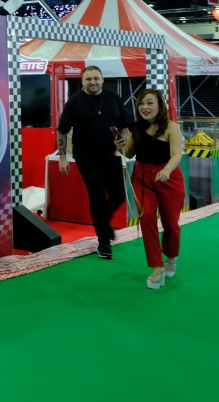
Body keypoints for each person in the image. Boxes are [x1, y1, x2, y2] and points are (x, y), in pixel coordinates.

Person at [56, 66, 130, 259]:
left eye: (96, 78)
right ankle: (103, 242)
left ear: (102, 79)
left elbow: (125, 127)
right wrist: (62, 157)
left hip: (112, 154)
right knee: (97, 196)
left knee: (118, 195)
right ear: (82, 81)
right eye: (88, 79)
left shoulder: (113, 98)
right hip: (86, 157)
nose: (93, 82)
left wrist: (122, 146)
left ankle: (104, 221)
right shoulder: (74, 101)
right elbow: (62, 131)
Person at [118, 89, 185, 290]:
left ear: (159, 105)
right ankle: (157, 267)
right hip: (141, 177)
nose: (145, 107)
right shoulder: (136, 127)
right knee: (146, 218)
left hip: (168, 177)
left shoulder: (171, 127)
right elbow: (129, 153)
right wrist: (120, 146)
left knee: (170, 223)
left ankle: (171, 257)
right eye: (141, 103)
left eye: (149, 103)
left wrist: (166, 170)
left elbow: (177, 154)